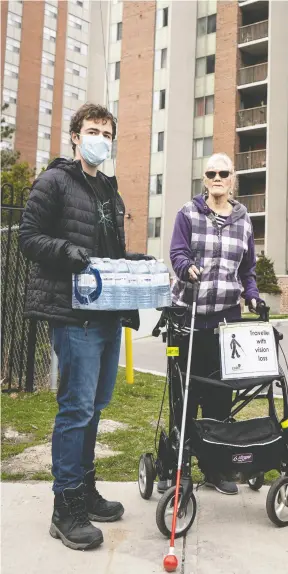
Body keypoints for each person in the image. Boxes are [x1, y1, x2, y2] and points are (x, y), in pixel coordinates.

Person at [20, 103, 153, 551]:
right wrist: (64, 251)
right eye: (92, 130)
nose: (100, 138)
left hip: (108, 315)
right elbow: (28, 237)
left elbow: (109, 255)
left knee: (96, 405)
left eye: (106, 132)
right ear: (75, 136)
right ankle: (65, 507)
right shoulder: (56, 180)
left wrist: (134, 264)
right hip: (73, 315)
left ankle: (86, 488)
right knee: (75, 408)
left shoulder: (110, 193)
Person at [169, 152, 262, 495]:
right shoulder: (188, 213)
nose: (218, 177)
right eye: (211, 173)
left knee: (220, 399)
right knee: (186, 397)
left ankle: (215, 468)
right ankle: (179, 468)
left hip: (226, 321)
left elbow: (247, 270)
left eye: (224, 172)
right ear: (204, 179)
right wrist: (185, 268)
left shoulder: (243, 219)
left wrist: (251, 295)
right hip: (189, 319)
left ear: (232, 178)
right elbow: (177, 252)